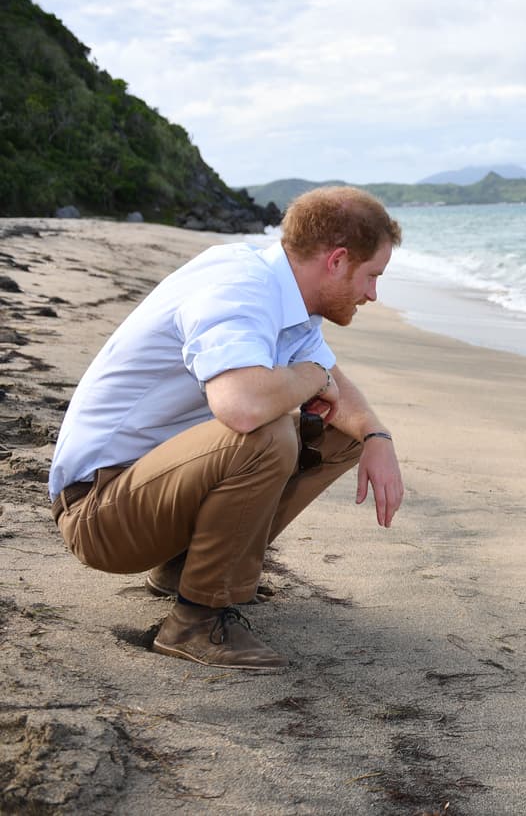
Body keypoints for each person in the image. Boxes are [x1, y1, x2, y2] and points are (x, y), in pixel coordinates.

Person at [48, 186, 405, 671]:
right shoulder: (239, 289)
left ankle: (183, 570)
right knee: (264, 432)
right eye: (371, 276)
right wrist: (311, 377)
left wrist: (378, 438)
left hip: (148, 493)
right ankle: (197, 620)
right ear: (338, 260)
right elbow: (242, 408)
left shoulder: (289, 300)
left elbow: (337, 391)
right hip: (98, 510)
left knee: (343, 433)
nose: (373, 294)